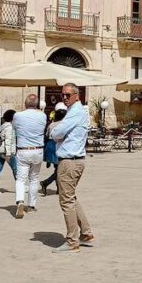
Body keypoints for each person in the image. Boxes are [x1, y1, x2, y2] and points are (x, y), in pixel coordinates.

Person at [49, 83, 95, 252]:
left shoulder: (75, 112)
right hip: (76, 159)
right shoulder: (77, 111)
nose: (65, 98)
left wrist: (55, 133)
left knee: (66, 200)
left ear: (77, 95)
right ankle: (86, 233)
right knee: (71, 198)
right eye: (63, 95)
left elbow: (56, 133)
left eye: (68, 95)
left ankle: (72, 241)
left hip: (69, 161)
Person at [12, 94, 48, 218]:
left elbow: (15, 128)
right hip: (38, 150)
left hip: (23, 150)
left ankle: (20, 201)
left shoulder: (18, 115)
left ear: (25, 104)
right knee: (34, 178)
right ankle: (31, 205)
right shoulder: (43, 115)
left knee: (21, 179)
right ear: (37, 105)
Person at [0, 109, 17, 195]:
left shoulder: (3, 126)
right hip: (6, 151)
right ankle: (20, 186)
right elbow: (8, 141)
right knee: (16, 169)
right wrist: (9, 154)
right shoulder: (9, 127)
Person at [39, 108, 67, 196]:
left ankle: (59, 189)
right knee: (60, 170)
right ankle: (46, 182)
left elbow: (46, 135)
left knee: (57, 169)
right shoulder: (64, 124)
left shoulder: (51, 124)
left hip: (50, 146)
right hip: (58, 146)